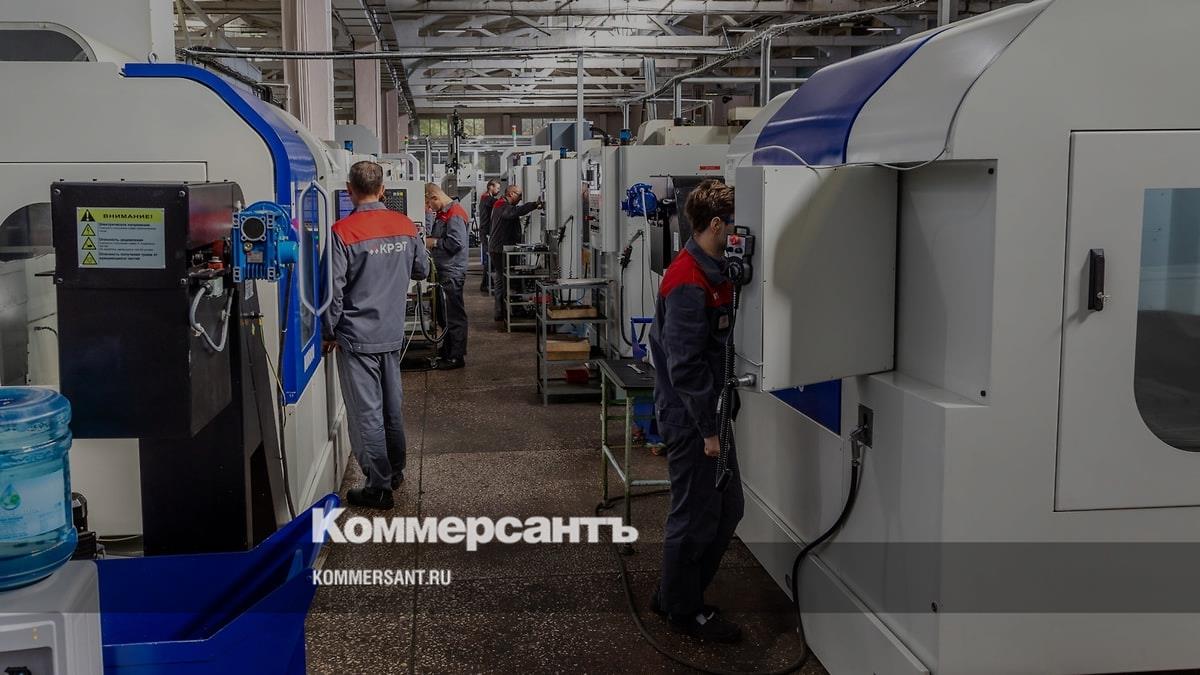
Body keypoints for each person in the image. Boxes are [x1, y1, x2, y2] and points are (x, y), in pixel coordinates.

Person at [647, 179, 743, 643]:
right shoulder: (688, 278)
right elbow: (684, 366)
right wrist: (709, 431)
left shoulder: (715, 270)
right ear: (717, 224)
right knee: (697, 516)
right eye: (736, 225)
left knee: (727, 509)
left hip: (708, 412)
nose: (741, 234)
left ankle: (672, 594)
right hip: (692, 418)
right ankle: (684, 611)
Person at [324, 161, 429, 510]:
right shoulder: (405, 225)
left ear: (349, 190)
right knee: (391, 407)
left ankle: (379, 487)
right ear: (383, 190)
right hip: (392, 331)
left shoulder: (342, 232)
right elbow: (422, 269)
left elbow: (333, 292)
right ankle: (395, 471)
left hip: (356, 336)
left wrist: (328, 331)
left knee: (366, 413)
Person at [424, 184, 469, 370]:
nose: (430, 208)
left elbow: (456, 243)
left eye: (429, 204)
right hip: (444, 270)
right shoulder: (444, 213)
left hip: (452, 271)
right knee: (445, 314)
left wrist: (433, 243)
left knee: (454, 315)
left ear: (435, 197)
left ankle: (456, 357)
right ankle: (449, 349)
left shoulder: (454, 213)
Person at [488, 184, 543, 323]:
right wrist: (534, 205)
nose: (520, 198)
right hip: (500, 250)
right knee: (509, 280)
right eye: (519, 195)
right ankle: (512, 310)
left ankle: (501, 312)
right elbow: (514, 212)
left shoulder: (503, 204)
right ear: (511, 194)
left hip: (499, 249)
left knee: (501, 280)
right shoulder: (502, 205)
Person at [477, 180, 501, 293]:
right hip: (486, 232)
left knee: (490, 258)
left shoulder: (486, 198)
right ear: (491, 187)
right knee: (490, 258)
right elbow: (498, 203)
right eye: (497, 188)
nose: (499, 190)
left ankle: (486, 283)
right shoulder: (487, 198)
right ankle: (486, 284)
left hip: (486, 231)